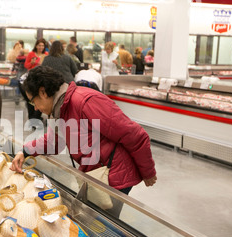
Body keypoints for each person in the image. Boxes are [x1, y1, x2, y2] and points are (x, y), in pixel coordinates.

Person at [10, 66, 157, 216]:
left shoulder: (86, 102)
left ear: (43, 92)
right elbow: (53, 142)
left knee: (106, 223)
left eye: (33, 102)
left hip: (114, 172)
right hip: (96, 173)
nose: (36, 108)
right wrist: (25, 151)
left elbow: (135, 135)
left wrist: (148, 172)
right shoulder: (58, 110)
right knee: (97, 219)